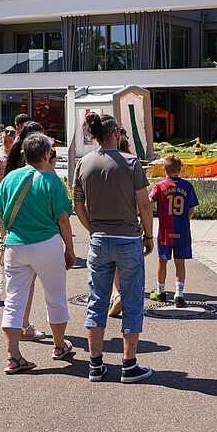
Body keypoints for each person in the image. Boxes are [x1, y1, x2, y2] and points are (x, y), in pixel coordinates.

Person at [73, 112, 155, 383]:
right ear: (116, 133)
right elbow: (144, 204)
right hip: (128, 239)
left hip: (99, 240)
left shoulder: (83, 163)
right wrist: (149, 235)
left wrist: (92, 228)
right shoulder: (130, 163)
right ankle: (129, 365)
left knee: (97, 301)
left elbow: (77, 204)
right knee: (132, 301)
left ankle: (95, 364)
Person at [0, 133, 75, 374]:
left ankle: (13, 356)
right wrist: (70, 249)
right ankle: (59, 346)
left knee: (13, 300)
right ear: (46, 155)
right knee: (55, 297)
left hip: (15, 245)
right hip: (47, 244)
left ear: (24, 153)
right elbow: (63, 219)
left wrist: (9, 231)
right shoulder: (51, 180)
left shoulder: (10, 178)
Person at [3, 121, 58, 341]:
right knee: (49, 292)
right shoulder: (42, 167)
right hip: (39, 234)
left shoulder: (14, 162)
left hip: (15, 235)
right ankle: (26, 326)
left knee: (15, 292)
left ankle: (18, 333)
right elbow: (59, 202)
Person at [148, 155, 198, 307]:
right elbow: (191, 209)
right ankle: (179, 294)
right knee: (180, 262)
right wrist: (184, 222)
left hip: (165, 231)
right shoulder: (187, 186)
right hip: (182, 231)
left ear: (164, 170)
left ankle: (160, 291)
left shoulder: (159, 186)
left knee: (162, 260)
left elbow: (149, 201)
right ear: (180, 169)